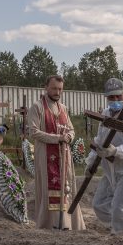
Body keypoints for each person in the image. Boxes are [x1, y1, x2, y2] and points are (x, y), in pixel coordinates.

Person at [84, 78, 123, 234]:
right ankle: (120, 226)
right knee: (99, 204)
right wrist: (90, 162)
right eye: (111, 97)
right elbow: (100, 140)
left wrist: (116, 151)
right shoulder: (106, 114)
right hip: (111, 169)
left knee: (121, 209)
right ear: (106, 97)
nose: (115, 100)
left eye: (118, 96)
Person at [27, 75, 85, 230]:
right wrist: (58, 138)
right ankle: (49, 224)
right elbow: (33, 132)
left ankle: (67, 223)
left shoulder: (63, 108)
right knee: (49, 190)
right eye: (54, 88)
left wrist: (69, 137)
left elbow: (71, 129)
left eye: (60, 89)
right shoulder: (37, 107)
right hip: (46, 156)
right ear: (46, 87)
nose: (57, 92)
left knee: (66, 189)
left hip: (64, 155)